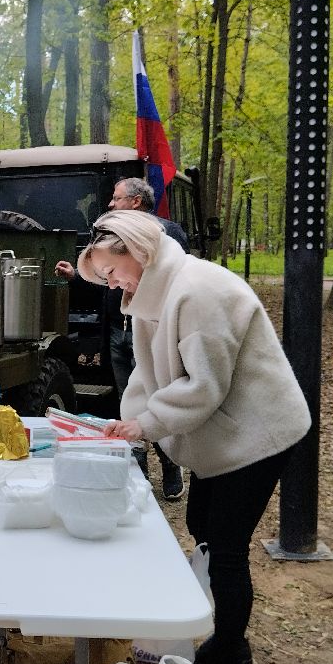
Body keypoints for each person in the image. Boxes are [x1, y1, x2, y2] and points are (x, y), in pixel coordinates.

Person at [75, 209, 311, 664]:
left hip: (260, 431)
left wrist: (147, 424)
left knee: (225, 546)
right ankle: (233, 641)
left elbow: (203, 385)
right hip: (225, 431)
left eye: (113, 273)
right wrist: (129, 425)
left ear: (136, 253)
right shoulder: (149, 293)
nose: (113, 285)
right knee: (201, 521)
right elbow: (147, 375)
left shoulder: (199, 292)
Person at [55, 177, 188, 500]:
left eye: (117, 198)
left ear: (136, 201)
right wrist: (76, 278)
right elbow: (109, 283)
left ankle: (171, 467)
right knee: (128, 401)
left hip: (154, 330)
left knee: (158, 395)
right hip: (118, 332)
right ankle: (137, 471)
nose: (111, 203)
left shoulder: (168, 234)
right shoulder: (110, 236)